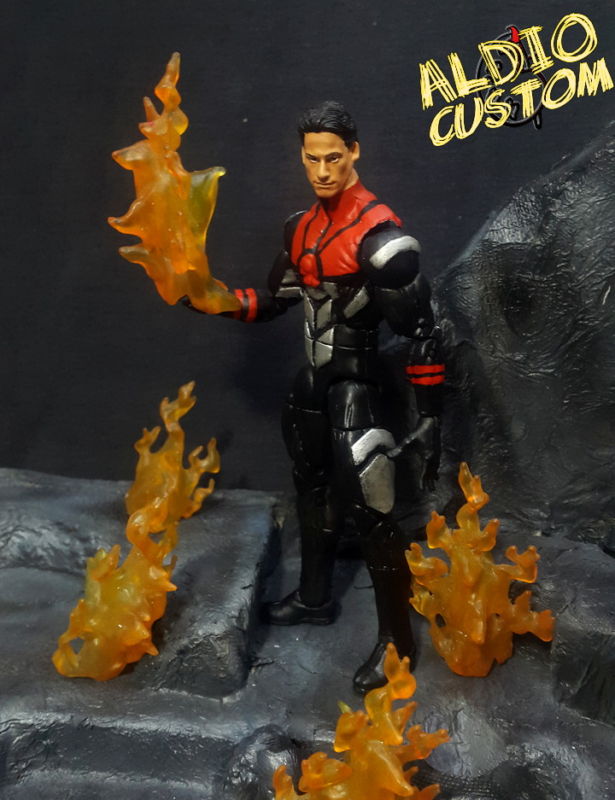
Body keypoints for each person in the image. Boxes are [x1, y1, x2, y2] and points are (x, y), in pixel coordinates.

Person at [190, 101, 444, 692]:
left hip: (357, 384)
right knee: (310, 489)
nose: (323, 171)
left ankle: (397, 642)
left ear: (354, 152)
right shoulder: (301, 228)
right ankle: (314, 596)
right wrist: (210, 298)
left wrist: (430, 418)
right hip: (312, 383)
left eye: (334, 157)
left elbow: (423, 331)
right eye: (312, 159)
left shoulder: (381, 238)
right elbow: (275, 300)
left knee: (374, 509)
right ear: (301, 157)